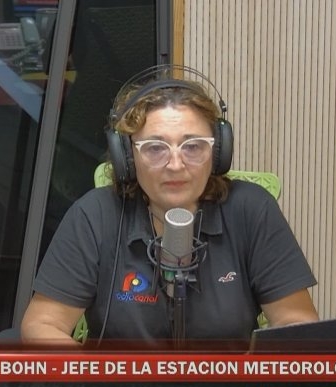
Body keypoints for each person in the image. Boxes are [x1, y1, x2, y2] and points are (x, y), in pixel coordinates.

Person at [21, 67, 319, 347]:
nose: (175, 165)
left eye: (193, 146)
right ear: (127, 157)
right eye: (155, 148)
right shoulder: (94, 215)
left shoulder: (251, 209)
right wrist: (102, 376)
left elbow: (297, 323)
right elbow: (41, 325)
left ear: (217, 152)